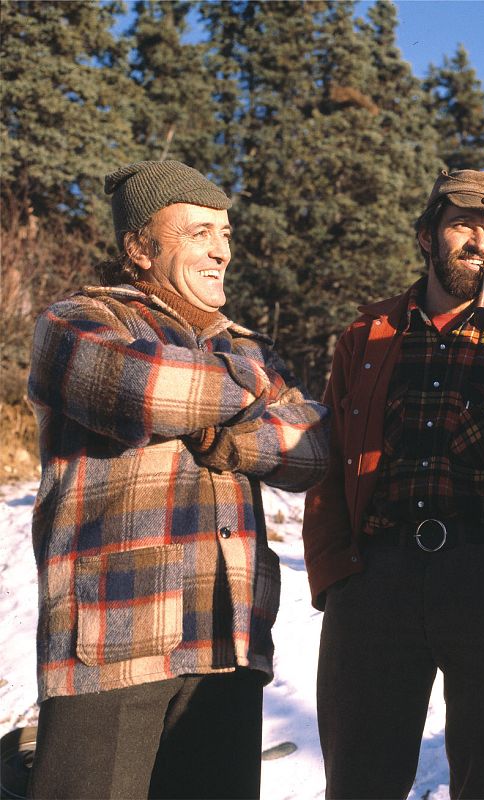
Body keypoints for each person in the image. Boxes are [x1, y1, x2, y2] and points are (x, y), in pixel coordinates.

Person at [26, 160, 330, 799]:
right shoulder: (75, 323)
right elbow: (143, 389)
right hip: (111, 644)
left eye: (225, 233)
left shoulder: (241, 342)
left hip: (229, 639)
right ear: (138, 247)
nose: (222, 250)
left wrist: (225, 435)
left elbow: (314, 446)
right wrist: (252, 388)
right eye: (199, 233)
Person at [301, 168, 484, 799]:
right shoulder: (367, 337)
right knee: (358, 782)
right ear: (426, 234)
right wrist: (336, 577)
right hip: (374, 583)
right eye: (464, 224)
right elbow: (328, 466)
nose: (479, 243)